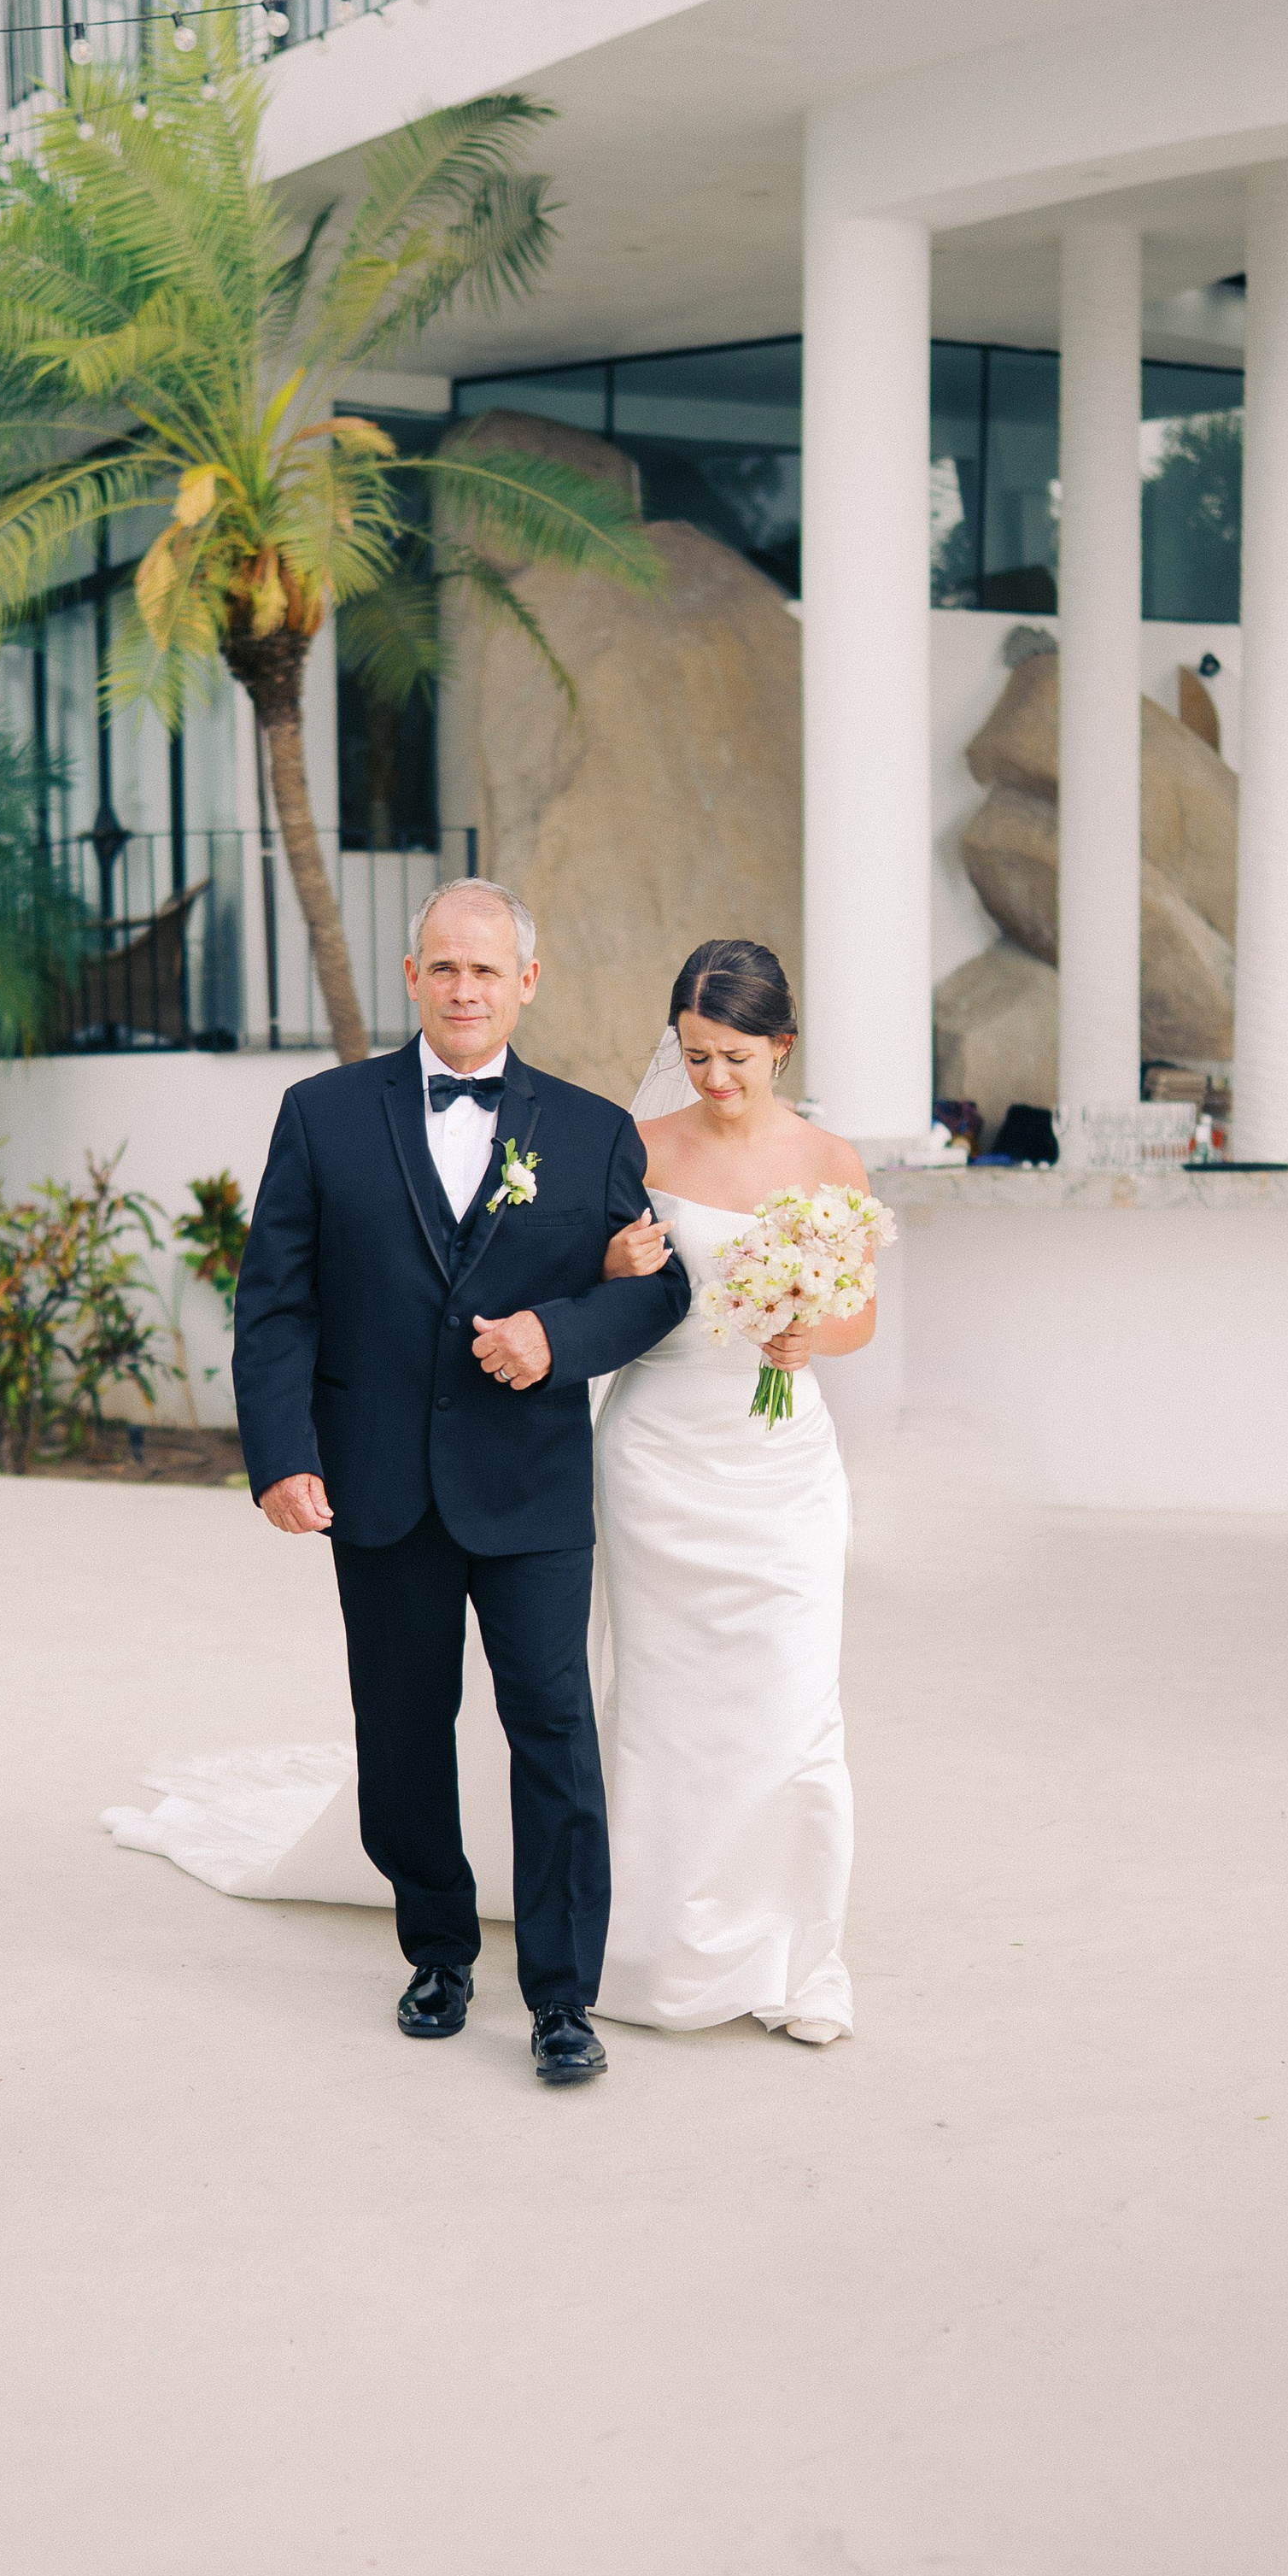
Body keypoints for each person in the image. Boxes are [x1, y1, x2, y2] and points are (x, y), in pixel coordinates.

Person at [231, 877, 690, 2086]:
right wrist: (282, 1453)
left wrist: (558, 1336)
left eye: (488, 970)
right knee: (400, 1734)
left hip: (531, 1487)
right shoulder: (321, 1115)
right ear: (412, 977)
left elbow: (655, 1286)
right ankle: (435, 1947)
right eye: (445, 968)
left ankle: (561, 1996)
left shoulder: (593, 1132)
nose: (466, 988)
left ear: (526, 984)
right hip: (377, 1485)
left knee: (553, 1731)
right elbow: (276, 1303)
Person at [594, 938, 875, 2042]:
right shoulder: (637, 1144)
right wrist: (613, 1268)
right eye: (696, 1056)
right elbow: (589, 1277)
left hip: (780, 1470)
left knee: (795, 1706)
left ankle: (799, 1953)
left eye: (736, 1060)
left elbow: (859, 1316)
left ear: (781, 1048)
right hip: (659, 1458)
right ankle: (657, 1945)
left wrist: (814, 1328)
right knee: (667, 1716)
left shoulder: (831, 1160)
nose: (713, 1081)